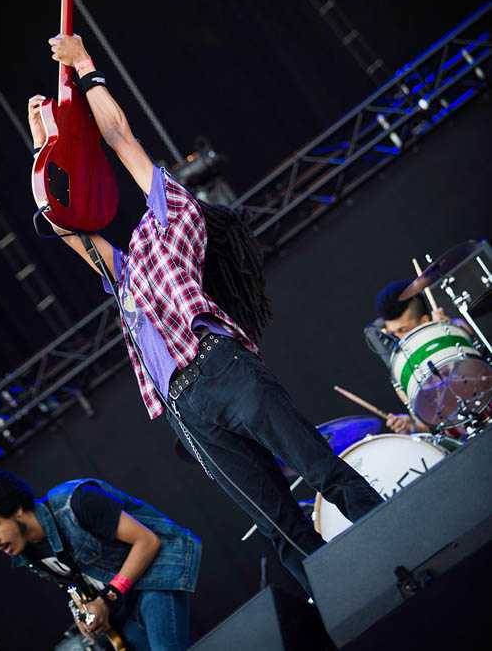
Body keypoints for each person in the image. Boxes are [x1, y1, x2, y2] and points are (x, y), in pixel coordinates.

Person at [28, 32, 383, 594]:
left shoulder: (174, 221)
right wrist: (44, 146)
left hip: (221, 368)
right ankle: (345, 596)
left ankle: (396, 548)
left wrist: (86, 66)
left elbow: (119, 136)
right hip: (185, 408)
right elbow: (68, 228)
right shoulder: (127, 269)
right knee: (276, 524)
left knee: (319, 470)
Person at [0, 467, 200, 650]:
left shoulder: (77, 501)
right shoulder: (26, 553)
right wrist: (78, 609)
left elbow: (148, 541)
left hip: (154, 577)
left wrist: (107, 598)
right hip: (121, 606)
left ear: (16, 509)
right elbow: (70, 580)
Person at [364, 280, 469, 435]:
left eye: (403, 330)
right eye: (394, 334)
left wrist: (449, 336)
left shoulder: (456, 329)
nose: (399, 339)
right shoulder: (403, 370)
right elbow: (425, 428)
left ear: (424, 321)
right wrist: (410, 426)